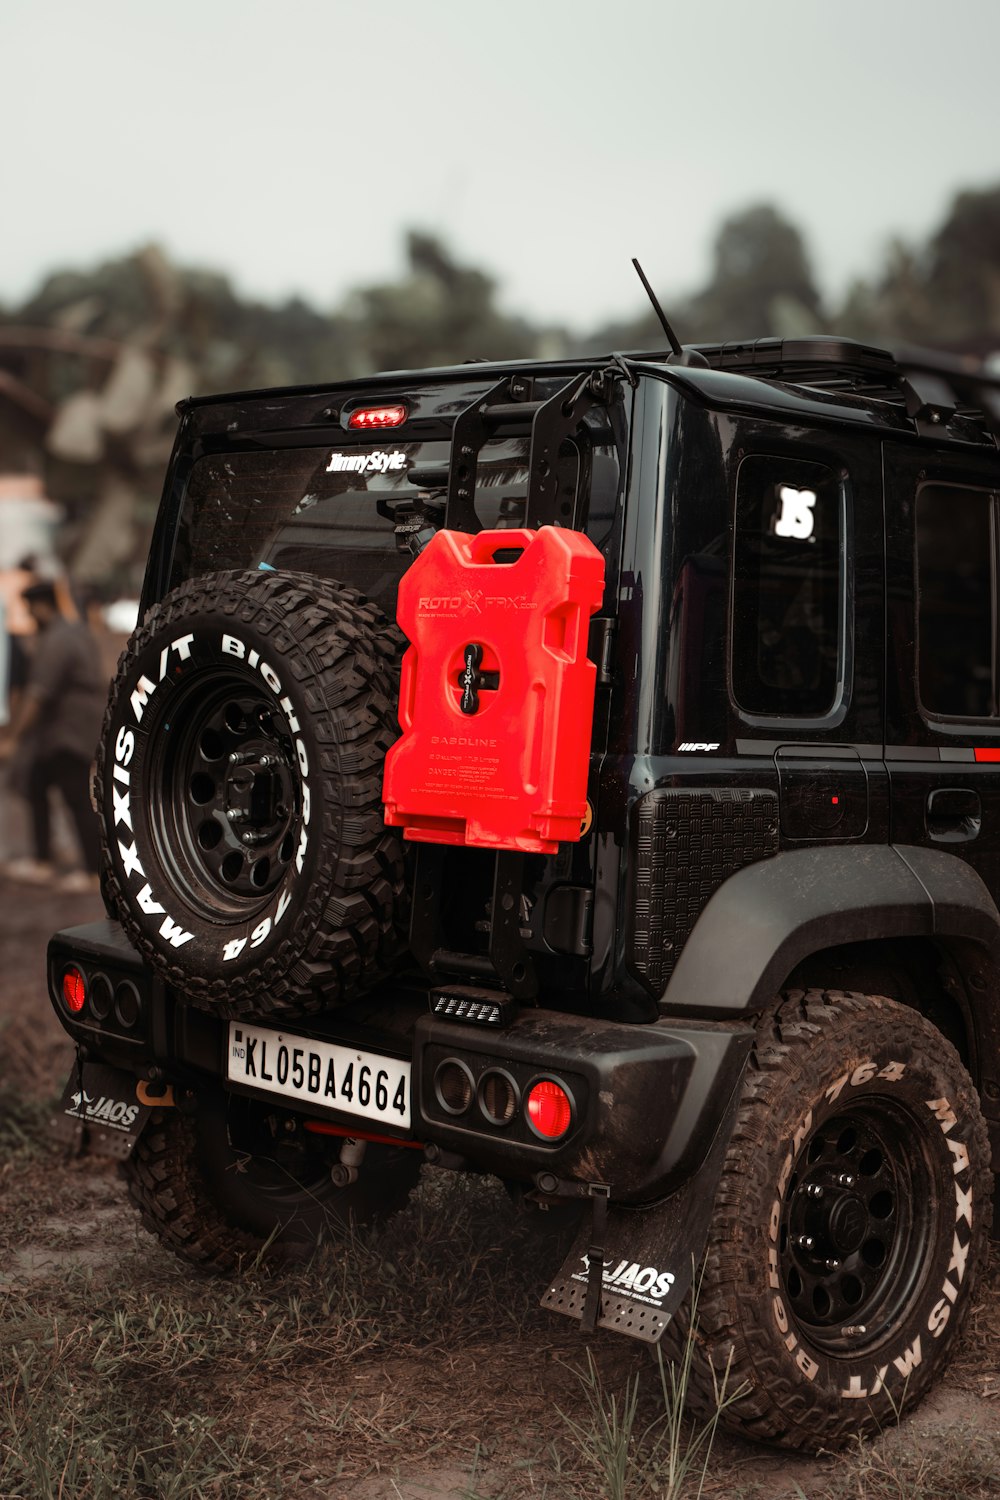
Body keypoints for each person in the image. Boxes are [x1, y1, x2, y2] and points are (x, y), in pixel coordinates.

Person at [0, 579, 106, 890]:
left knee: (76, 797)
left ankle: (93, 872)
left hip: (68, 732)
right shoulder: (72, 632)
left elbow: (38, 693)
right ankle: (43, 861)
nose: (30, 615)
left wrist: (13, 738)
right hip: (64, 732)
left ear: (42, 606)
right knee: (36, 784)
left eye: (31, 608)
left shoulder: (58, 638)